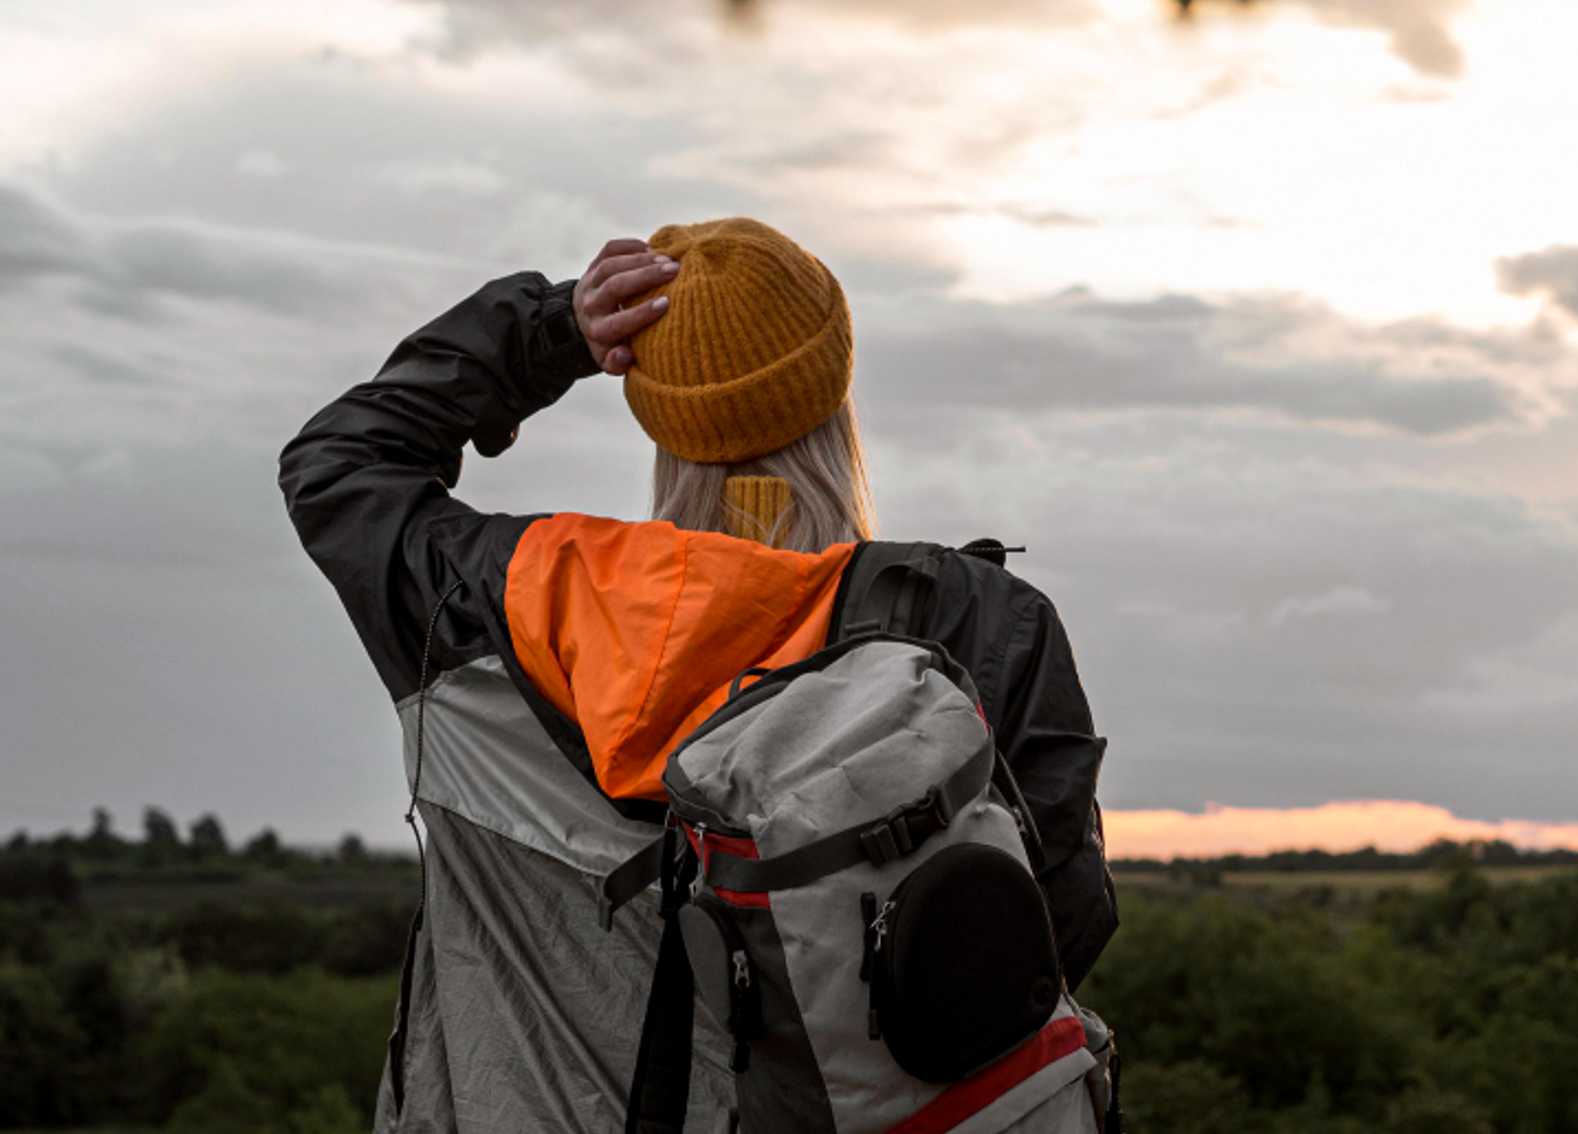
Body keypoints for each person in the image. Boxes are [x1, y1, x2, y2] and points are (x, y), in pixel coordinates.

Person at [279, 218, 1117, 1132]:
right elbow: (1055, 930)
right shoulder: (979, 622)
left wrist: (555, 328)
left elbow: (340, 463)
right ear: (833, 390)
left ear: (656, 406)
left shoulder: (502, 597)